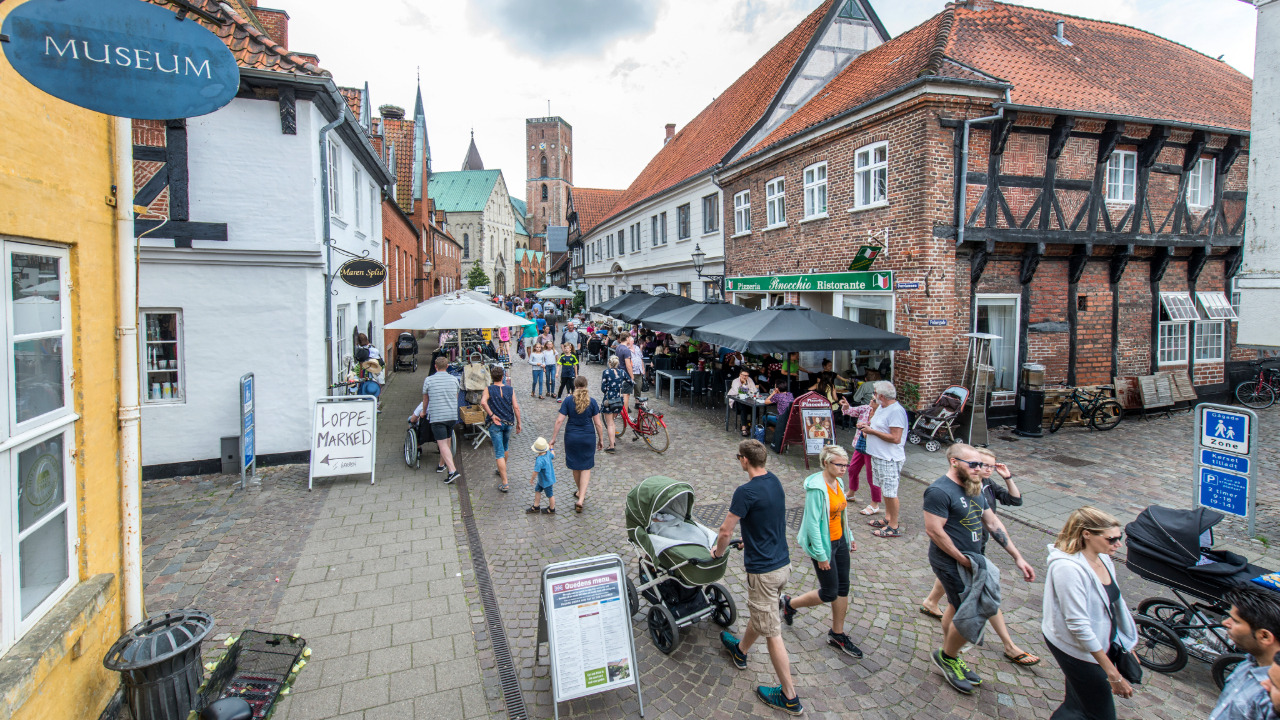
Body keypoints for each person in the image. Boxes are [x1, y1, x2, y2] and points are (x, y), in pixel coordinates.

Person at [926, 443, 1035, 696]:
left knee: (955, 606)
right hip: (950, 562)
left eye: (981, 464)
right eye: (973, 464)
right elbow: (934, 531)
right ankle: (947, 656)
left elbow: (992, 522)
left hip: (974, 558)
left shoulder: (975, 487)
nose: (980, 469)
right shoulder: (939, 491)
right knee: (972, 608)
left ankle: (950, 654)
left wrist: (1018, 557)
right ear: (954, 462)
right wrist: (961, 559)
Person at [713, 440, 801, 715]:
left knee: (773, 632)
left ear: (744, 461)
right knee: (763, 611)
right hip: (783, 564)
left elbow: (726, 531)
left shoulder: (745, 491)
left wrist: (718, 552)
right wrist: (749, 542)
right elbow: (768, 520)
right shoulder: (774, 482)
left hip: (763, 571)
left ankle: (789, 696)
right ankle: (740, 650)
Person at [1042, 506, 1139, 718]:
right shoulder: (1067, 569)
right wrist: (1112, 674)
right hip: (1076, 647)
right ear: (1087, 534)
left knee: (1078, 703)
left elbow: (1114, 606)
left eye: (1119, 537)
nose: (1118, 544)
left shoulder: (1103, 558)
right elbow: (1078, 625)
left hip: (1098, 642)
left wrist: (1126, 644)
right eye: (1111, 539)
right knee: (1100, 713)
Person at [781, 445, 862, 659]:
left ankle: (837, 633)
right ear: (826, 463)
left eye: (846, 464)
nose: (844, 468)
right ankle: (790, 604)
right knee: (829, 592)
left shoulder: (839, 481)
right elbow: (812, 525)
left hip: (840, 541)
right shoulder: (817, 489)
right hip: (824, 545)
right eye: (840, 464)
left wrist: (849, 536)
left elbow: (841, 513)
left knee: (843, 587)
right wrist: (821, 555)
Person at [1210, 584, 1280, 720]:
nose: (1225, 623)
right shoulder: (1251, 660)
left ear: (1264, 636)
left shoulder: (1272, 698)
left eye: (1235, 621)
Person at [549, 376, 605, 513]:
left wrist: (553, 439)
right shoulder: (592, 402)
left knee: (575, 466)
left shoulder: (568, 401)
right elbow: (598, 423)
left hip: (572, 437)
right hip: (588, 437)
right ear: (586, 385)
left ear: (575, 385)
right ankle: (581, 498)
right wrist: (601, 439)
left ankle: (580, 491)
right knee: (586, 466)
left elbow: (559, 421)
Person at [860, 381, 908, 538]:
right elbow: (877, 427)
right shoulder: (881, 407)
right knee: (884, 490)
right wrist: (866, 428)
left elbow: (896, 438)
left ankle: (894, 526)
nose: (873, 396)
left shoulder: (896, 412)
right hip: (878, 455)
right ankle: (888, 518)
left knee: (890, 491)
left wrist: (871, 431)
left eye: (874, 393)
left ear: (881, 395)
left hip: (889, 458)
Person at [480, 365, 521, 493]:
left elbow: (483, 402)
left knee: (499, 452)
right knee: (505, 447)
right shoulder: (510, 389)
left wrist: (492, 415)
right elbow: (516, 407)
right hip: (508, 422)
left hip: (495, 424)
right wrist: (519, 422)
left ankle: (505, 482)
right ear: (503, 376)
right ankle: (501, 470)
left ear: (492, 377)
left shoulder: (488, 389)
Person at [421, 356, 462, 484]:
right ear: (448, 366)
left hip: (438, 416)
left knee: (442, 444)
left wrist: (423, 412)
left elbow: (426, 399)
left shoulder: (429, 380)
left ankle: (452, 471)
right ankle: (441, 464)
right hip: (451, 415)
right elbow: (456, 397)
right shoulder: (454, 379)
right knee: (447, 440)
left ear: (435, 366)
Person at [837, 397, 880, 516]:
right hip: (860, 445)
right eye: (872, 398)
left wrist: (867, 429)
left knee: (872, 476)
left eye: (874, 400)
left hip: (872, 449)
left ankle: (875, 504)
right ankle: (851, 493)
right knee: (853, 469)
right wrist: (846, 406)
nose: (871, 401)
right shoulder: (866, 409)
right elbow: (851, 411)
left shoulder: (882, 415)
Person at [599, 356, 628, 453]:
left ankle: (611, 446)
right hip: (619, 400)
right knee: (613, 422)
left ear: (609, 363)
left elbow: (603, 388)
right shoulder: (622, 372)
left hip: (609, 400)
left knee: (610, 423)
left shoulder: (606, 372)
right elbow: (630, 381)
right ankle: (613, 440)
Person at [526, 437, 557, 514]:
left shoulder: (539, 460)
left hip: (546, 481)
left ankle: (552, 508)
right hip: (543, 480)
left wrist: (532, 479)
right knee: (537, 490)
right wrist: (552, 448)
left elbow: (535, 471)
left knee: (550, 495)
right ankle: (536, 506)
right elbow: (553, 455)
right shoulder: (548, 453)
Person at [728, 369, 760, 437]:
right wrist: (744, 384)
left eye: (747, 375)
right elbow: (739, 392)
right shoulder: (735, 381)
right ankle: (744, 427)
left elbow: (754, 390)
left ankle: (750, 424)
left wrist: (748, 391)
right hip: (735, 402)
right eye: (744, 375)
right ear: (740, 375)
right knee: (743, 407)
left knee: (757, 407)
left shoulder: (750, 380)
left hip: (748, 401)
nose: (745, 377)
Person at [616, 332, 638, 412]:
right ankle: (625, 413)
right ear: (627, 338)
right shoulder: (626, 350)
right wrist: (632, 377)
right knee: (626, 394)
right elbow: (628, 365)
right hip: (625, 374)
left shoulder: (618, 347)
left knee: (622, 393)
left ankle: (622, 412)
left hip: (619, 372)